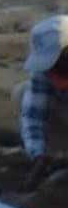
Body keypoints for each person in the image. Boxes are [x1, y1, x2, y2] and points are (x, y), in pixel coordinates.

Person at [18, 13, 67, 180]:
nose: (52, 74)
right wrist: (37, 154)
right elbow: (33, 117)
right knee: (22, 92)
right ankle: (55, 150)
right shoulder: (43, 71)